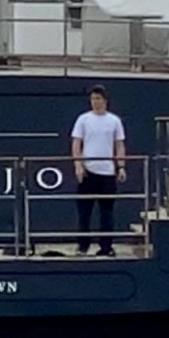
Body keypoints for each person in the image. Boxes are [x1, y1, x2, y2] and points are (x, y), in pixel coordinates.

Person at [71, 85, 126, 256]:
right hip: (88, 172)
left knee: (106, 213)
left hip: (107, 173)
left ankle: (106, 246)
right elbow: (76, 143)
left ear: (105, 100)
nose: (95, 102)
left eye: (98, 98)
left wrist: (121, 166)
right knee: (84, 212)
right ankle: (83, 245)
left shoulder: (114, 121)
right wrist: (78, 165)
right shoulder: (83, 119)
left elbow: (119, 145)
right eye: (93, 98)